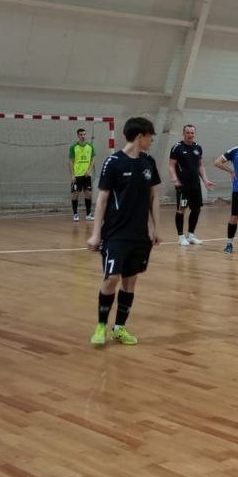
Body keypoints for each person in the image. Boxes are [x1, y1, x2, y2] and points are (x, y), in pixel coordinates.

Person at [85, 117, 161, 345]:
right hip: (115, 234)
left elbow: (154, 197)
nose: (151, 140)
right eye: (150, 136)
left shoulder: (148, 162)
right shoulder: (113, 162)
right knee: (111, 278)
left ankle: (119, 328)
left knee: (130, 281)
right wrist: (95, 233)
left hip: (139, 235)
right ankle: (101, 326)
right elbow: (102, 199)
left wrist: (156, 228)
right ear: (140, 136)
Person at [168, 123, 214, 246]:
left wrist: (205, 180)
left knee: (196, 209)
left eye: (192, 133)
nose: (190, 135)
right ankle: (180, 236)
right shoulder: (177, 147)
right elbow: (171, 166)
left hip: (195, 185)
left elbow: (200, 166)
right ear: (183, 133)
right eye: (188, 133)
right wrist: (175, 180)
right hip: (183, 185)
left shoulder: (198, 147)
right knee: (181, 209)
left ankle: (191, 235)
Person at [68, 127, 95, 222]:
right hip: (77, 175)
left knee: (89, 194)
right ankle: (75, 214)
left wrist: (89, 171)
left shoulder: (90, 146)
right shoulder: (73, 147)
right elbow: (70, 162)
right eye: (81, 135)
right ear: (78, 136)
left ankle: (88, 214)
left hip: (87, 176)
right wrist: (72, 175)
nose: (83, 136)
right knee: (75, 194)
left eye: (84, 134)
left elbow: (93, 160)